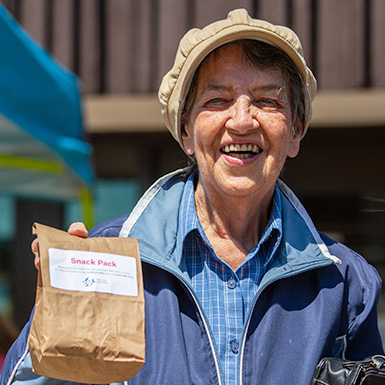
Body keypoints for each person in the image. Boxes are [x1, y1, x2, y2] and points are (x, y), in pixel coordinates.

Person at [1, 8, 383, 385]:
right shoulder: (109, 261)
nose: (243, 120)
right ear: (185, 131)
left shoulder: (345, 281)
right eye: (217, 100)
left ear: (296, 131)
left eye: (268, 101)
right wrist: (63, 313)